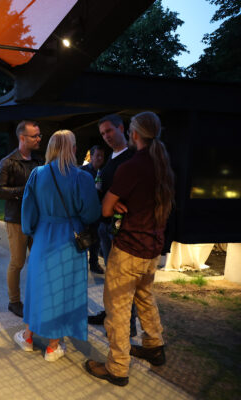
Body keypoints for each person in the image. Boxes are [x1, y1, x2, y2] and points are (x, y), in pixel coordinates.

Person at [85, 111, 175, 386]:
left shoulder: (132, 166)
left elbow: (106, 207)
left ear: (133, 133)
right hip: (152, 249)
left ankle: (117, 367)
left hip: (129, 249)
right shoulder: (163, 164)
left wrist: (118, 204)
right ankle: (153, 345)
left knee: (118, 309)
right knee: (145, 298)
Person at [13, 130, 100, 362]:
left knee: (38, 286)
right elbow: (91, 213)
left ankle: (28, 336)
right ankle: (53, 346)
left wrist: (31, 230)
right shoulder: (83, 177)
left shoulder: (37, 174)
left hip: (43, 236)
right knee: (63, 291)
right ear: (72, 149)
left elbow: (28, 212)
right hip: (70, 241)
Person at [87, 114, 136, 332]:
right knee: (112, 277)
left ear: (121, 127)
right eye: (103, 133)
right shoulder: (112, 158)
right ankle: (111, 314)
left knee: (123, 281)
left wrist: (118, 202)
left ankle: (127, 323)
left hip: (121, 230)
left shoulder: (132, 157)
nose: (106, 136)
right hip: (105, 226)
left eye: (109, 131)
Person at [0, 120, 43, 317]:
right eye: (34, 136)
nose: (39, 139)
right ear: (22, 138)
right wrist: (25, 191)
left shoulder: (39, 161)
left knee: (39, 260)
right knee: (18, 262)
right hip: (16, 218)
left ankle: (38, 297)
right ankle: (14, 301)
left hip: (38, 219)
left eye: (39, 135)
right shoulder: (8, 162)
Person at [80, 145, 105, 274]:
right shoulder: (82, 171)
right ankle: (81, 265)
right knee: (83, 239)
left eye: (102, 156)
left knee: (96, 239)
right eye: (97, 155)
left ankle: (94, 264)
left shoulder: (104, 172)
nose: (100, 158)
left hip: (98, 211)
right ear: (91, 156)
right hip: (84, 212)